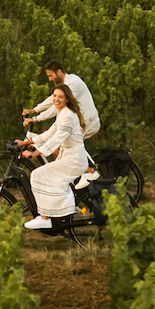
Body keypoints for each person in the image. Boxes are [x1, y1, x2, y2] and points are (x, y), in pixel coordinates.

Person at [22, 84, 90, 230]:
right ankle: (68, 212)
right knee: (54, 182)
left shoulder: (68, 116)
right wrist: (25, 142)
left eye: (60, 97)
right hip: (70, 157)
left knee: (38, 175)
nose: (56, 99)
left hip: (74, 160)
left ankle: (45, 218)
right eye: (54, 96)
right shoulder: (62, 113)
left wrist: (34, 153)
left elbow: (56, 139)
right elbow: (48, 134)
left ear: (66, 99)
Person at [23, 60, 99, 141]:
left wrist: (35, 119)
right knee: (57, 144)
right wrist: (34, 110)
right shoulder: (67, 83)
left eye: (51, 76)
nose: (50, 79)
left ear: (59, 72)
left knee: (59, 145)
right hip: (80, 122)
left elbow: (57, 106)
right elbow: (52, 99)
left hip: (89, 123)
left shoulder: (73, 84)